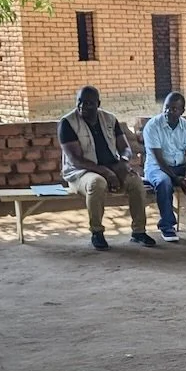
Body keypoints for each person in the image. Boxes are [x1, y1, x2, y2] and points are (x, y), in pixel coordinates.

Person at [59, 86, 151, 251]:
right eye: (80, 102)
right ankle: (97, 232)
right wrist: (107, 172)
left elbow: (125, 148)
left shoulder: (109, 119)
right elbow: (76, 160)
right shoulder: (67, 123)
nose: (82, 106)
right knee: (97, 183)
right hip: (80, 172)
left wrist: (123, 162)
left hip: (112, 168)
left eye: (89, 103)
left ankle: (139, 232)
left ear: (98, 104)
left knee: (135, 181)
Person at [143, 91, 186, 242]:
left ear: (182, 111)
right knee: (163, 182)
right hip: (157, 167)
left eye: (174, 108)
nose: (169, 111)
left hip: (181, 167)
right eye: (166, 107)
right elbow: (159, 159)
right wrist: (176, 178)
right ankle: (167, 226)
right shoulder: (153, 126)